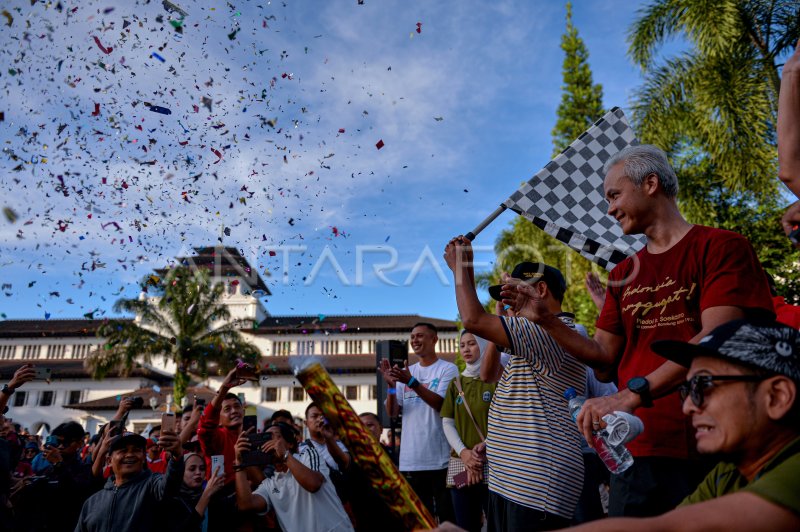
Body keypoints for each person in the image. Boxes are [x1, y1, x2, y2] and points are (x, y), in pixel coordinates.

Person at [500, 144, 776, 517]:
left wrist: (630, 395)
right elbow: (602, 356)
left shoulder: (721, 246)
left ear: (650, 183)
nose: (610, 209)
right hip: (632, 447)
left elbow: (717, 338)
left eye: (614, 195)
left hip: (711, 437)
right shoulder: (621, 274)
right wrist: (546, 319)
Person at [570, 319, 800, 530]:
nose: (688, 406)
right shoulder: (729, 473)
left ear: (777, 396)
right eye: (686, 389)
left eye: (704, 384)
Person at [443, 243, 587, 531]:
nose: (508, 305)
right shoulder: (541, 336)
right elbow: (490, 373)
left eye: (514, 294)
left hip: (534, 484)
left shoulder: (550, 331)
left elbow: (473, 321)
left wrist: (460, 270)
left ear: (541, 291)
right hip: (517, 481)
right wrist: (496, 444)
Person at [380, 322, 459, 524]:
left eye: (421, 336)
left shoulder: (447, 369)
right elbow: (392, 413)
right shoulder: (406, 372)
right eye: (413, 336)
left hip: (440, 460)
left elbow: (440, 404)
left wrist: (412, 383)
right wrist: (390, 387)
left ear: (434, 339)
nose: (415, 340)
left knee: (447, 519)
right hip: (410, 460)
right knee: (421, 522)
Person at [233, 422, 354, 532]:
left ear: (290, 444)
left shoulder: (308, 455)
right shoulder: (270, 483)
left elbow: (313, 484)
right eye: (266, 437)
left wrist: (285, 455)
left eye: (275, 436)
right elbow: (246, 505)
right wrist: (240, 464)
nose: (269, 441)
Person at [440, 331, 496, 532]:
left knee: (496, 525)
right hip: (461, 467)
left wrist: (481, 453)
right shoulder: (456, 384)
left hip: (493, 465)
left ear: (482, 345)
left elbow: (504, 419)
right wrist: (464, 453)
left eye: (472, 344)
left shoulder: (496, 379)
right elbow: (447, 423)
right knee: (465, 525)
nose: (466, 349)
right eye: (462, 345)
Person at [75, 430, 184, 532]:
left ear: (143, 458)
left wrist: (176, 457)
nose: (130, 454)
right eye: (123, 451)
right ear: (109, 461)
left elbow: (170, 486)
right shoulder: (92, 502)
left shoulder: (153, 486)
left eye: (136, 450)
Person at [158, 452, 226, 532]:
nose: (198, 472)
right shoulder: (171, 500)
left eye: (202, 468)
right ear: (181, 472)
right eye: (192, 469)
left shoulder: (212, 498)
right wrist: (206, 495)